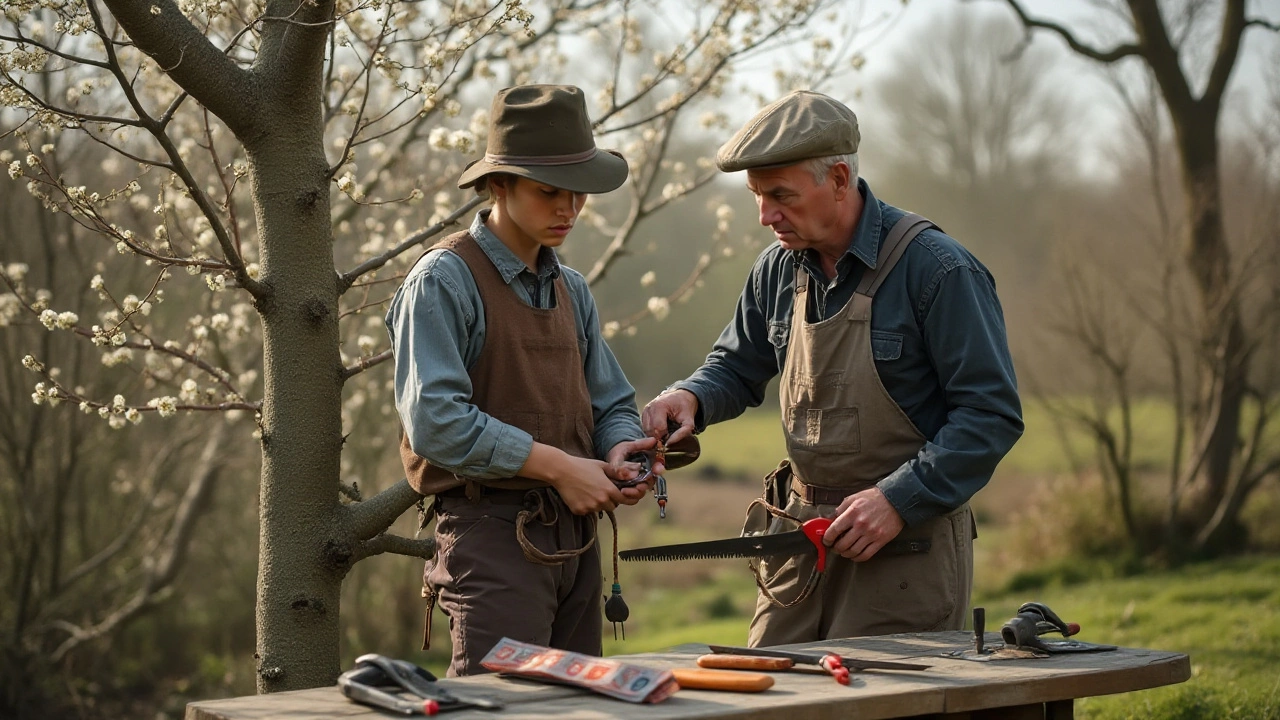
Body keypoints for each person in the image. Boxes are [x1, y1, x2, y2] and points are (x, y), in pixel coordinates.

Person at [642, 90, 1023, 646]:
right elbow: (736, 365)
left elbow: (990, 415)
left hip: (903, 549)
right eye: (756, 195)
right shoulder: (775, 268)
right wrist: (691, 398)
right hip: (797, 544)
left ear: (840, 179)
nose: (765, 215)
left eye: (781, 195)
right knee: (769, 700)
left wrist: (897, 499)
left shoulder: (939, 271)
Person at [386, 84, 660, 676]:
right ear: (498, 185)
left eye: (577, 194)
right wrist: (563, 468)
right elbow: (437, 424)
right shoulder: (442, 281)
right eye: (549, 192)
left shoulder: (573, 288)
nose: (568, 209)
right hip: (490, 538)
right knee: (503, 713)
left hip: (577, 539)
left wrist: (616, 451)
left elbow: (610, 400)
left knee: (578, 715)